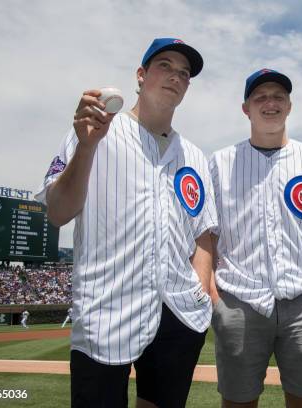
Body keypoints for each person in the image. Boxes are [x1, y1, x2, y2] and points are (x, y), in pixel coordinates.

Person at [35, 37, 217, 408]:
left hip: (178, 311)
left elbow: (204, 233)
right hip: (107, 309)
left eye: (184, 73)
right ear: (140, 74)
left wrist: (200, 288)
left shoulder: (194, 156)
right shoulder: (95, 130)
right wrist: (86, 148)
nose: (176, 77)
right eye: (165, 65)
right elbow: (57, 212)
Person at [209, 69, 302, 408]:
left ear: (289, 105)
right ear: (246, 108)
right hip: (239, 300)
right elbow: (205, 235)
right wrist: (214, 298)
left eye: (278, 97)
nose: (270, 103)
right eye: (261, 97)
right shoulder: (219, 163)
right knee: (238, 402)